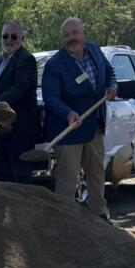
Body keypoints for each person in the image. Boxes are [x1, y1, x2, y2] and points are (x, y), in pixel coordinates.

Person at [41, 17, 117, 220]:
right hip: (68, 129)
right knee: (68, 177)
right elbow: (50, 97)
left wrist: (112, 86)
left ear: (84, 33)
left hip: (95, 126)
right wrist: (68, 113)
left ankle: (99, 214)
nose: (71, 38)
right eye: (66, 35)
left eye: (75, 33)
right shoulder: (55, 65)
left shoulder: (95, 50)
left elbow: (109, 72)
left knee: (96, 173)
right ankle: (64, 221)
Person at [0, 21, 39, 183]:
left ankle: (24, 209)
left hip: (20, 131)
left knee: (21, 178)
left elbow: (21, 86)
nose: (9, 40)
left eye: (14, 36)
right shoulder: (2, 59)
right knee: (4, 178)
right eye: (5, 36)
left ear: (22, 38)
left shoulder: (26, 59)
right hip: (1, 129)